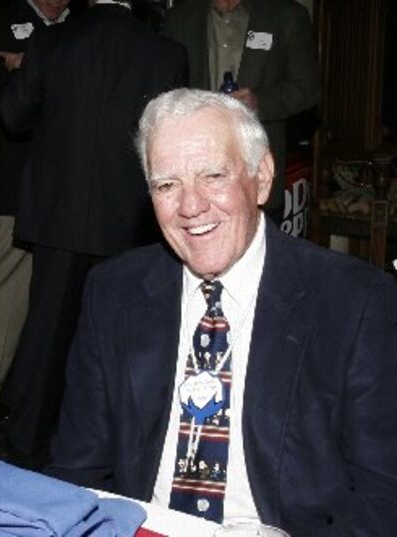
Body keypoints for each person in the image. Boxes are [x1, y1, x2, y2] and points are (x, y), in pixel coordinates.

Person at [47, 88, 397, 534]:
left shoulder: (355, 301)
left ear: (263, 177)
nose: (190, 207)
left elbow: (384, 497)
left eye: (213, 175)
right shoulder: (114, 292)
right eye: (167, 184)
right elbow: (77, 473)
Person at [0, 0, 186, 466]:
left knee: (45, 336)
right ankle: (116, 448)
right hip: (131, 217)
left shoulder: (52, 41)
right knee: (122, 338)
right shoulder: (166, 53)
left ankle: (24, 449)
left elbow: (12, 116)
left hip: (59, 214)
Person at [0, 0, 70, 403]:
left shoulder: (81, 30)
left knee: (53, 297)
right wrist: (31, 77)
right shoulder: (0, 25)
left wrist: (30, 69)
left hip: (70, 187)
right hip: (20, 184)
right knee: (3, 286)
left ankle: (28, 393)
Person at [163, 0, 319, 225]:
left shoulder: (287, 15)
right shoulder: (181, 16)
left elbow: (307, 89)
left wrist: (260, 102)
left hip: (255, 167)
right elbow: (167, 88)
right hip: (193, 170)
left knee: (261, 255)